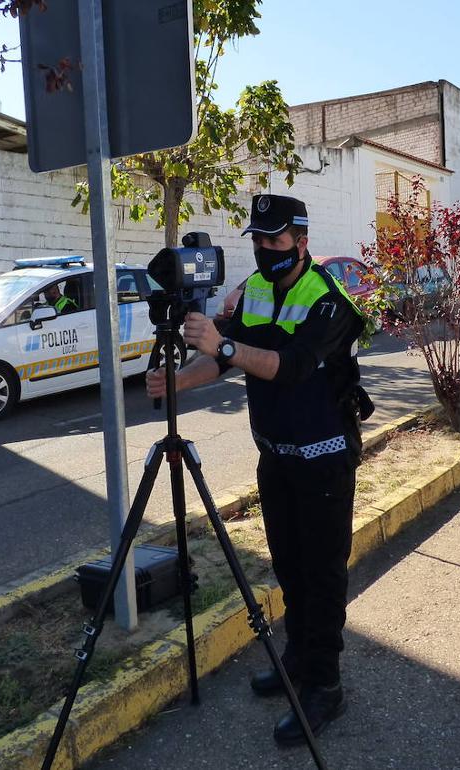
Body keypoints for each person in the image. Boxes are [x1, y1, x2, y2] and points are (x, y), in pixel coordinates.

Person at [146, 193, 370, 747]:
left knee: (322, 578)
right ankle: (296, 661)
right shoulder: (255, 291)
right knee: (290, 571)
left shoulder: (330, 301)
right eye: (260, 239)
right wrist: (179, 382)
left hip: (323, 461)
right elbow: (228, 355)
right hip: (276, 457)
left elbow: (287, 367)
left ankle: (325, 686)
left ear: (301, 240)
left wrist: (222, 347)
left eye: (276, 239)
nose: (267, 248)